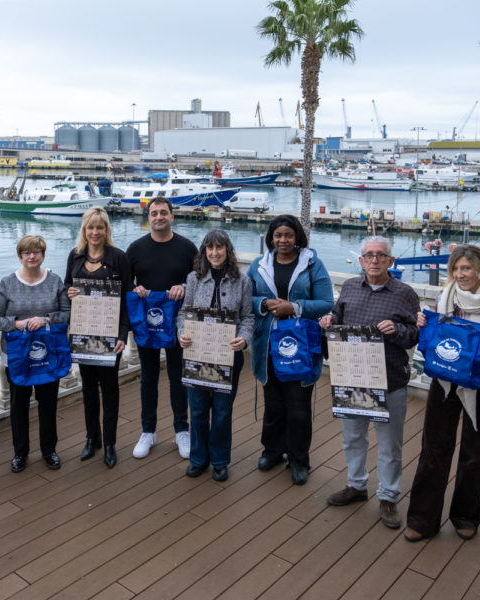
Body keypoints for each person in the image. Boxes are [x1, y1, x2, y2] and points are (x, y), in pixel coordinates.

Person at [404, 245, 480, 542]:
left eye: (466, 268)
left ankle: (465, 516)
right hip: (445, 382)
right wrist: (423, 326)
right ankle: (422, 519)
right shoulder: (445, 298)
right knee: (434, 448)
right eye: (455, 269)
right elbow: (436, 339)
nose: (460, 274)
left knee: (474, 453)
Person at [319, 235, 420, 530]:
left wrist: (397, 329)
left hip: (389, 378)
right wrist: (328, 320)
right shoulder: (350, 286)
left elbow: (415, 335)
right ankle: (357, 485)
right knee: (352, 437)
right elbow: (336, 317)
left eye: (380, 255)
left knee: (390, 444)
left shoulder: (405, 293)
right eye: (369, 255)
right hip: (351, 376)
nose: (374, 260)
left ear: (391, 261)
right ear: (361, 261)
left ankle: (388, 496)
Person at [247, 215, 333, 485]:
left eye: (288, 235)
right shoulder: (258, 266)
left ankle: (298, 459)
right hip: (268, 343)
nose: (283, 240)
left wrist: (294, 308)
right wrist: (264, 303)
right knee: (273, 402)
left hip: (300, 345)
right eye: (278, 235)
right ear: (270, 237)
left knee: (298, 405)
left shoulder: (312, 265)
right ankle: (272, 450)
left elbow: (326, 302)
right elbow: (244, 297)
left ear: (298, 238)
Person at [0, 235, 70, 472]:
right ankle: (20, 453)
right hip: (16, 356)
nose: (32, 256)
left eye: (36, 252)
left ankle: (49, 450)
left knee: (48, 405)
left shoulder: (55, 281)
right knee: (18, 406)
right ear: (20, 256)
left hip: (48, 355)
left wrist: (45, 319)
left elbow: (67, 313)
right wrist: (17, 324)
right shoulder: (6, 283)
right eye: (27, 252)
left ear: (43, 254)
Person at [177, 229, 253, 482]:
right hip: (196, 353)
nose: (215, 253)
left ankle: (220, 460)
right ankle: (199, 458)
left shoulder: (242, 281)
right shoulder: (194, 279)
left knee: (222, 411)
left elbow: (248, 317)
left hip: (229, 355)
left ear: (227, 251)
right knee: (197, 409)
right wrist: (182, 333)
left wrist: (245, 338)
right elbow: (183, 313)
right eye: (210, 248)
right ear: (204, 252)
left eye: (219, 248)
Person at [126, 196, 197, 459]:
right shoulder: (135, 249)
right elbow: (125, 284)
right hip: (147, 324)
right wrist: (136, 288)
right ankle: (148, 431)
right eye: (154, 213)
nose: (159, 217)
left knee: (179, 377)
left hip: (179, 325)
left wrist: (185, 287)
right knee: (148, 378)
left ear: (172, 216)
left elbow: (201, 282)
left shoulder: (187, 248)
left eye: (163, 212)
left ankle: (182, 430)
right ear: (148, 217)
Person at [65, 207, 132, 468]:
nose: (95, 232)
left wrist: (122, 334)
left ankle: (110, 443)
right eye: (91, 227)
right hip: (84, 333)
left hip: (109, 336)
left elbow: (125, 299)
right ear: (84, 230)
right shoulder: (75, 256)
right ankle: (91, 439)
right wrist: (69, 292)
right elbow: (66, 289)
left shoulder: (119, 258)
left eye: (100, 227)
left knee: (110, 390)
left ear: (106, 230)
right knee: (88, 389)